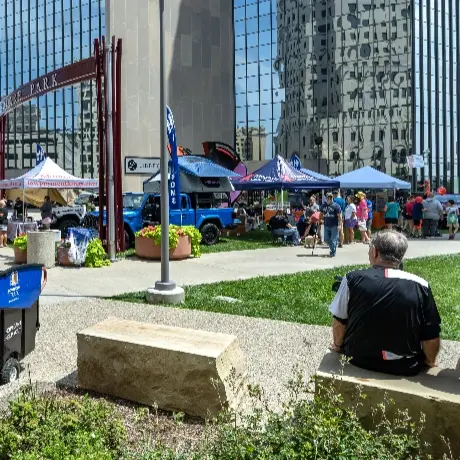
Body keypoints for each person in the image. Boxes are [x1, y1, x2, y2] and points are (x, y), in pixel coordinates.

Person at [329, 230, 441, 376]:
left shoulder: (352, 278)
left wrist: (337, 346)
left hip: (358, 359)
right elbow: (431, 335)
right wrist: (430, 361)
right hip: (405, 366)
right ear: (401, 256)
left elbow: (339, 322)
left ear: (375, 252)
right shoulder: (421, 285)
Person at [320, 192, 342, 258]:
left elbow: (339, 217)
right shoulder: (323, 206)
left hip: (334, 225)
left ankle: (333, 252)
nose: (328, 199)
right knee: (326, 239)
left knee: (333, 240)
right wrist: (319, 221)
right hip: (326, 225)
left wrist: (339, 225)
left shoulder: (336, 206)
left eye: (329, 197)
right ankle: (333, 249)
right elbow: (321, 214)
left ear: (331, 198)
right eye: (327, 197)